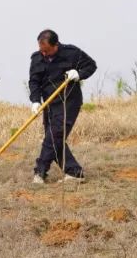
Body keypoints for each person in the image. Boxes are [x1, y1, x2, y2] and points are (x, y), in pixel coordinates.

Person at [28, 30, 96, 184]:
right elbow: (34, 81)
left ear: (56, 45)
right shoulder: (37, 57)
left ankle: (40, 172)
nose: (43, 53)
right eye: (41, 50)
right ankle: (74, 173)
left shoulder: (72, 53)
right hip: (49, 104)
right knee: (54, 138)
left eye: (46, 50)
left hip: (69, 102)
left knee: (54, 136)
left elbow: (91, 66)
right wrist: (35, 101)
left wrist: (78, 74)